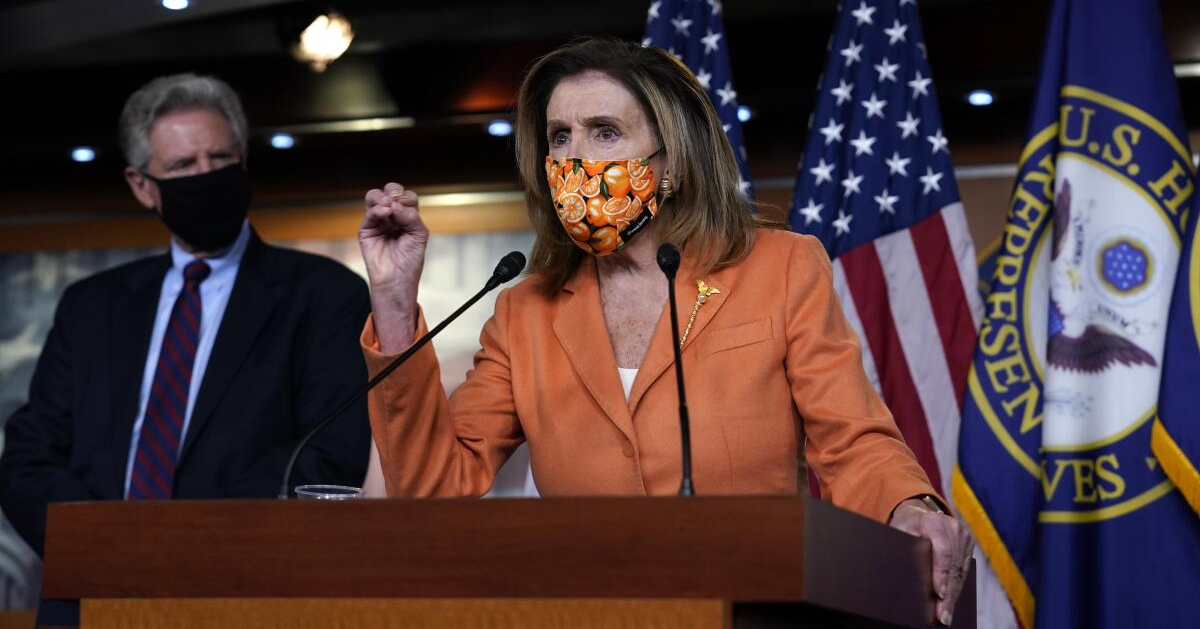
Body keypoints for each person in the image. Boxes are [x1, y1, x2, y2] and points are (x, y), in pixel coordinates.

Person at [358, 38, 974, 625]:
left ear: (672, 161)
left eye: (604, 132)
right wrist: (392, 299)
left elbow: (851, 438)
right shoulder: (525, 312)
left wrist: (907, 506)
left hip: (750, 603)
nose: (576, 157)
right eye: (559, 137)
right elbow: (435, 484)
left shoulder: (780, 268)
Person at [0, 74, 372, 559]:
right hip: (94, 586)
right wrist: (111, 549)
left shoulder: (324, 294)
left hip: (239, 583)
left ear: (243, 160)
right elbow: (29, 462)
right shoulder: (91, 306)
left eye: (219, 158)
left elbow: (328, 456)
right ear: (142, 187)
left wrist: (183, 544)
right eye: (182, 165)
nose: (206, 174)